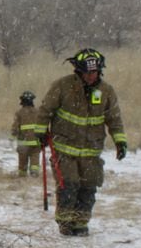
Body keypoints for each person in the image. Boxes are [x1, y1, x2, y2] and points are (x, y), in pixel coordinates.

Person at [34, 48, 127, 236]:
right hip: (64, 149)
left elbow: (114, 119)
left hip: (91, 151)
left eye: (94, 72)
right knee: (68, 185)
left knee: (88, 188)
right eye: (87, 72)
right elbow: (45, 110)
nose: (91, 76)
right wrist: (40, 132)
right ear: (78, 71)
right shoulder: (62, 86)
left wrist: (120, 141)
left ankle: (81, 223)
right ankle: (66, 223)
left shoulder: (106, 91)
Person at [10, 90, 44, 176]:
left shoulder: (19, 113)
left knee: (22, 161)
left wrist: (12, 136)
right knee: (35, 158)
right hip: (36, 141)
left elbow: (15, 127)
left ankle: (22, 175)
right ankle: (34, 173)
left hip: (23, 142)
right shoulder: (38, 112)